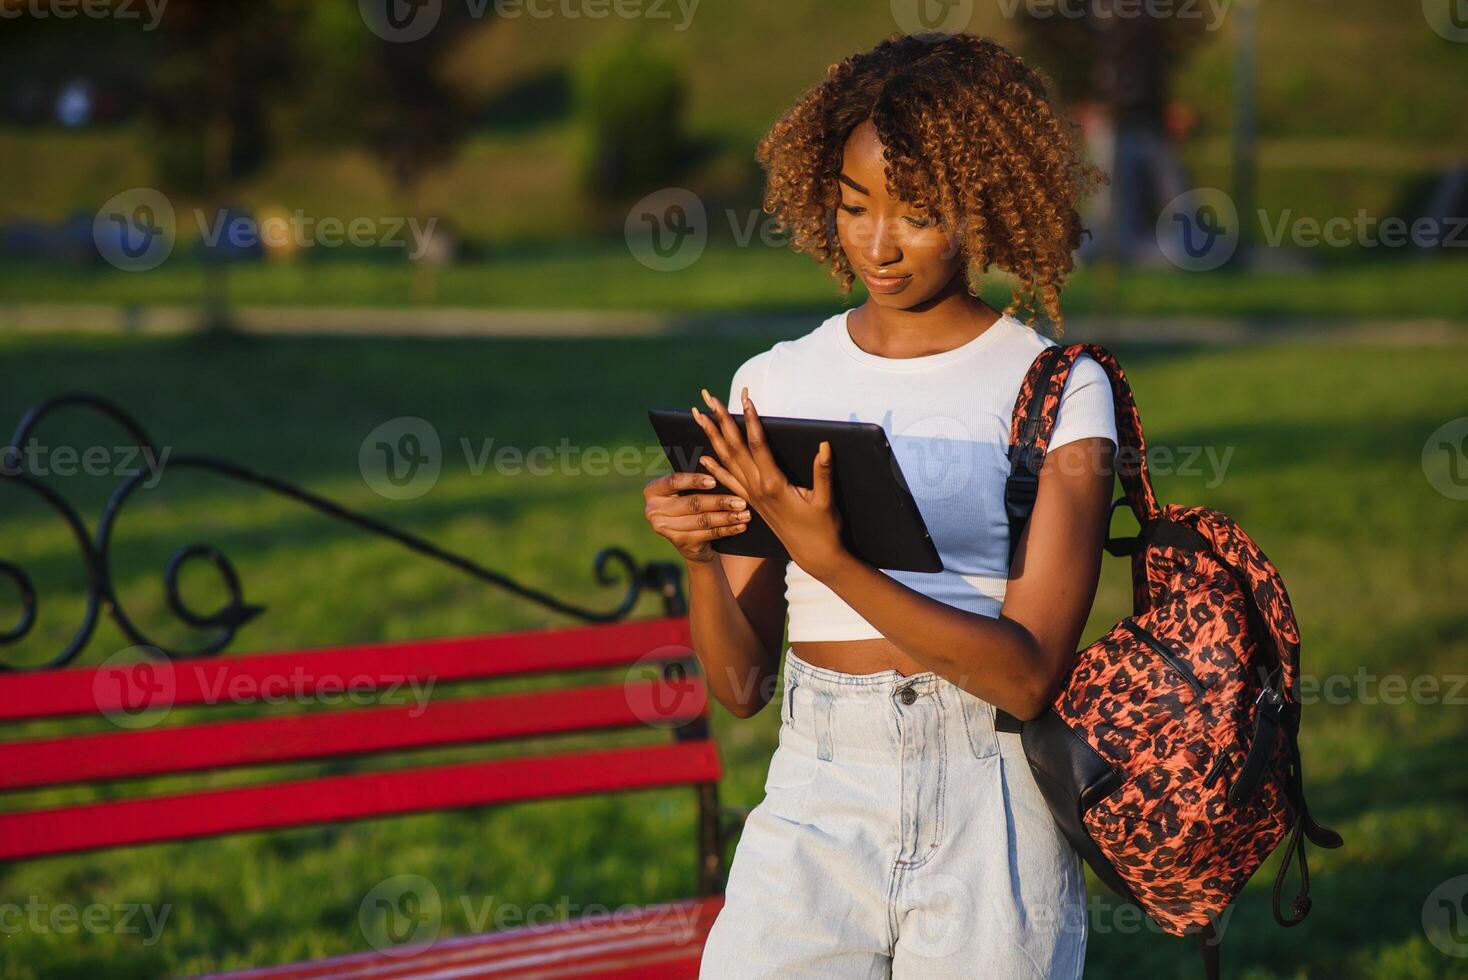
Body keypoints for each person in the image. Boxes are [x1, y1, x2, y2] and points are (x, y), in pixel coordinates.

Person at [642, 32, 1116, 979]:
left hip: (992, 807)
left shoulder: (1060, 387)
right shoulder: (776, 381)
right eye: (855, 207)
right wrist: (702, 552)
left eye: (919, 213)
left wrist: (832, 562)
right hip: (816, 793)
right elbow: (740, 691)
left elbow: (1026, 680)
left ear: (980, 206)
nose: (879, 244)